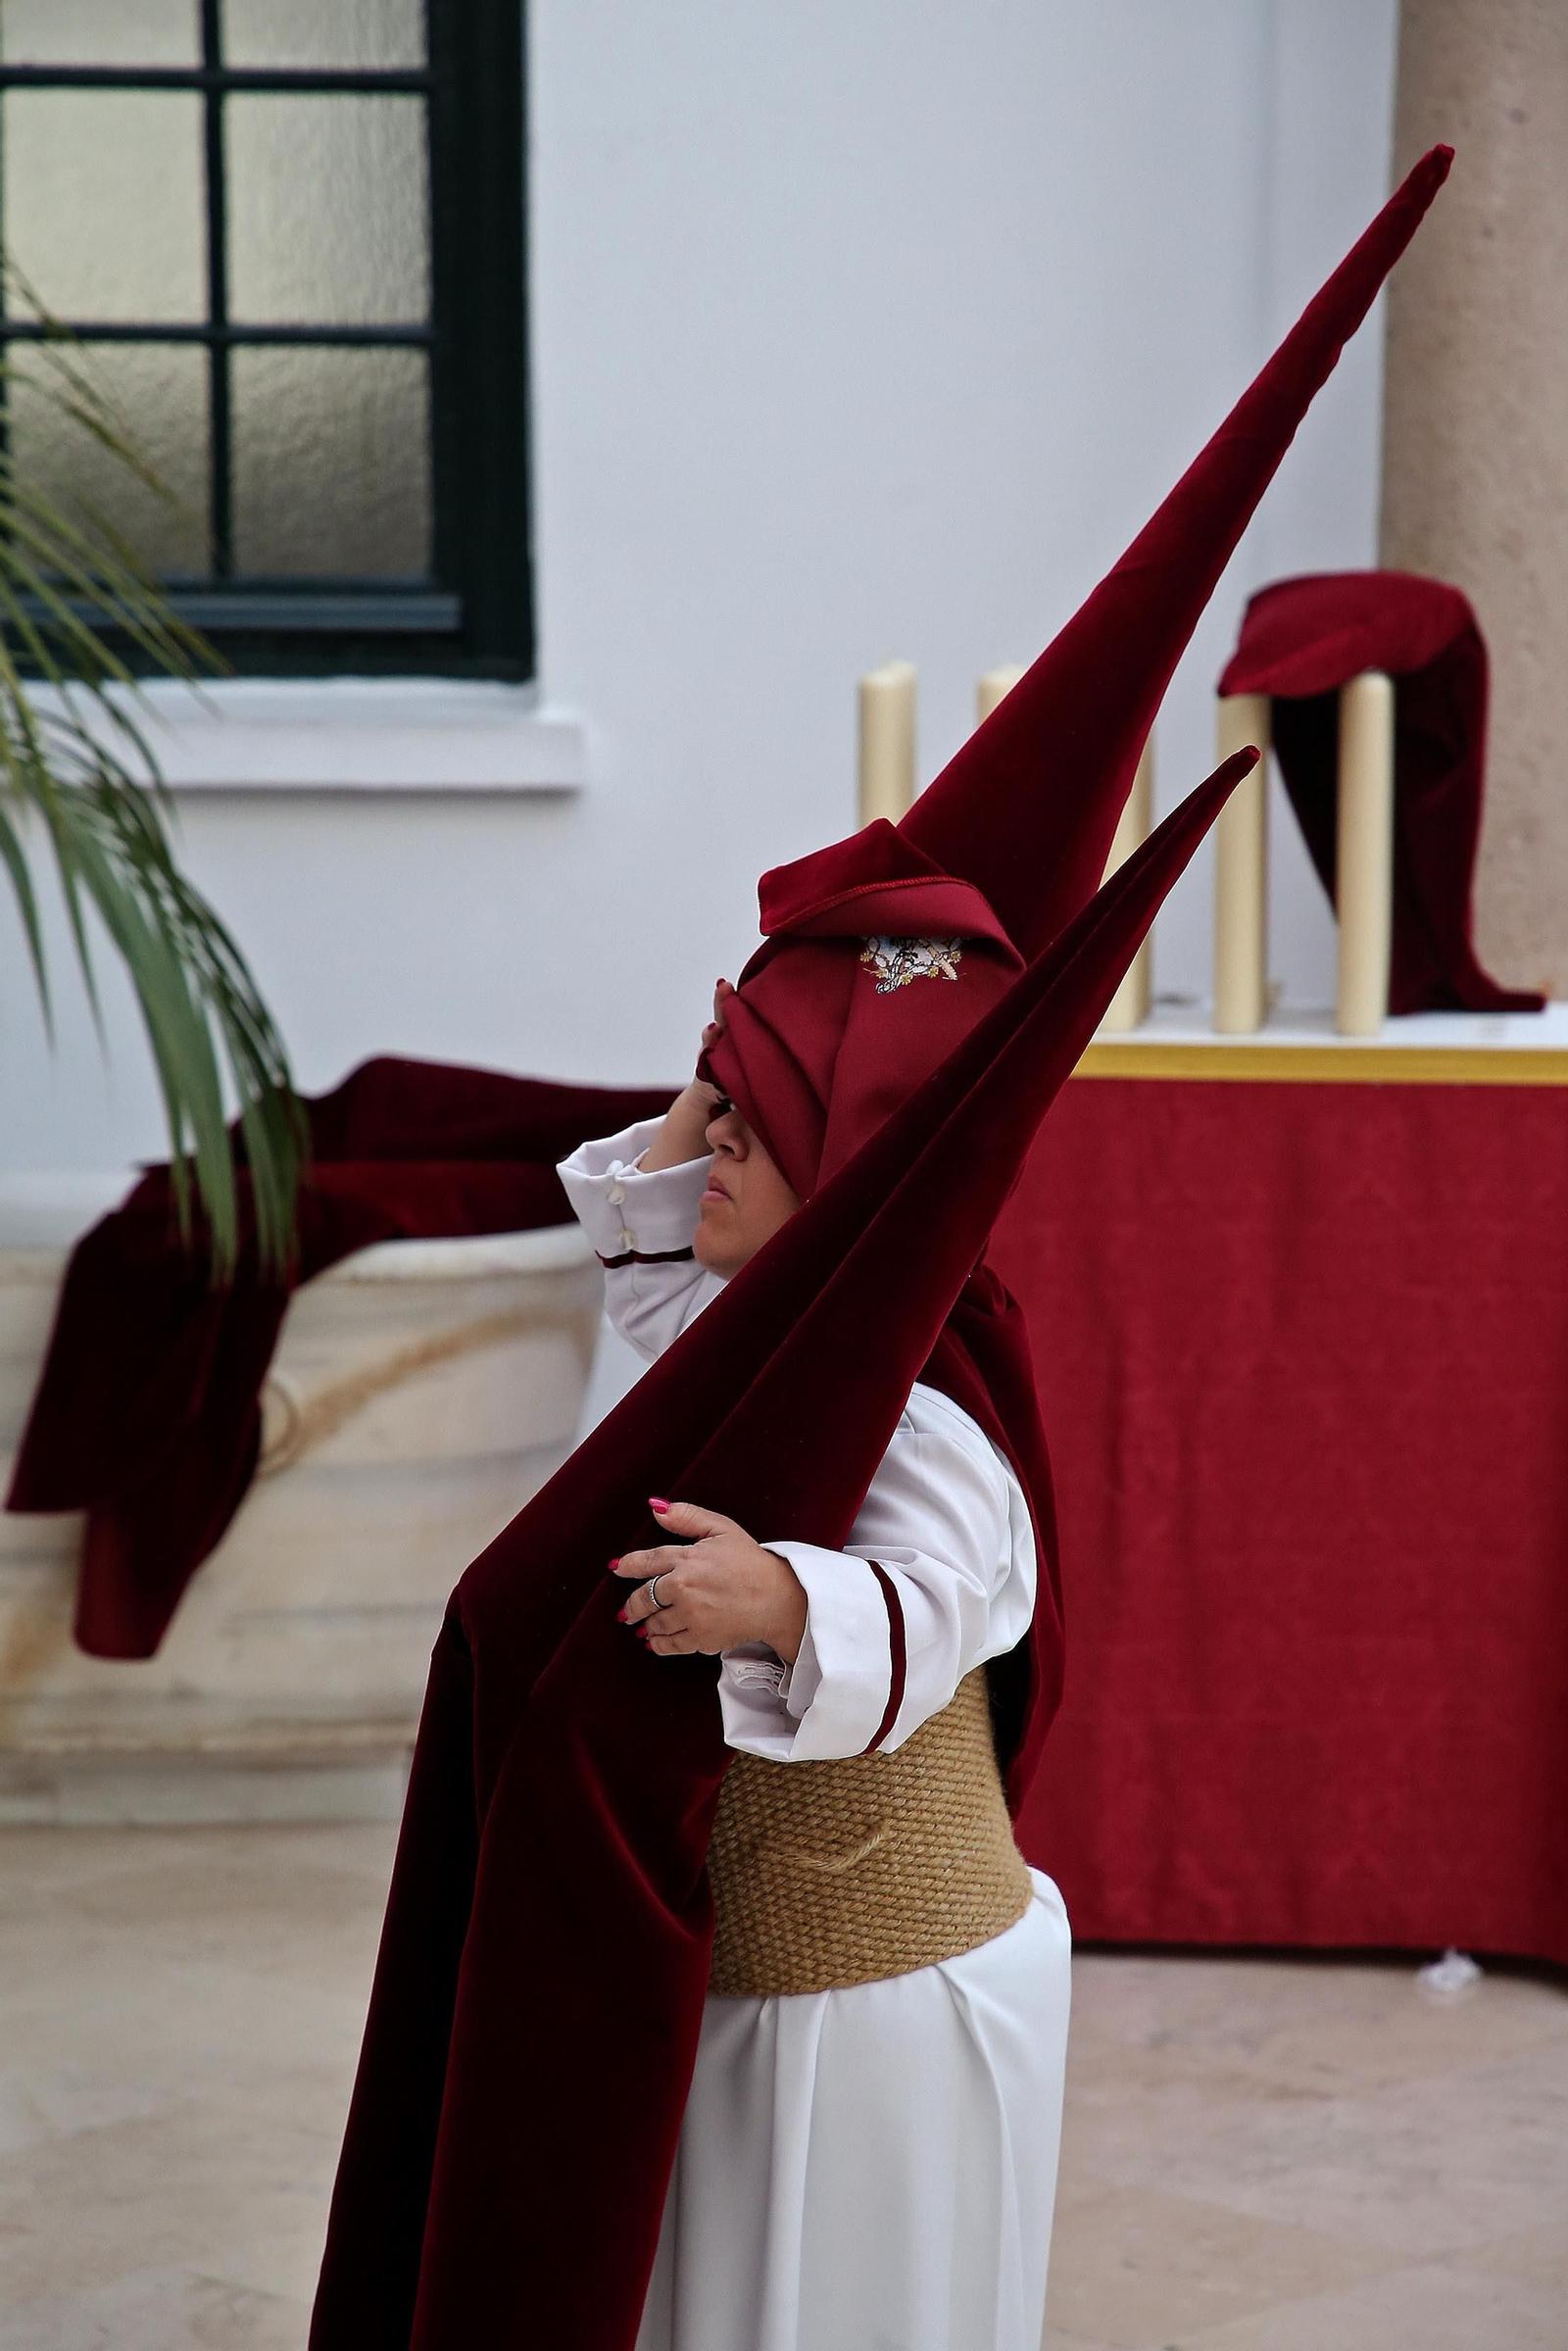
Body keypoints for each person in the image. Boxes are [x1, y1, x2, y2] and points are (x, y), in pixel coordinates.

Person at [558, 983, 1071, 2351]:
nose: (711, 1135)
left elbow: (953, 1597)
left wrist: (785, 1598)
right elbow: (654, 1271)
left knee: (845, 2297)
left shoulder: (918, 1393)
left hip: (875, 1989)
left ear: (852, 1176)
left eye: (757, 1119)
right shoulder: (768, 1337)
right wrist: (716, 1093)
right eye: (717, 1103)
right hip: (753, 1970)